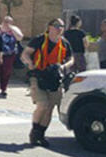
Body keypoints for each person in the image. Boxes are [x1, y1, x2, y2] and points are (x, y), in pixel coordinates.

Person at [21, 18, 73, 147]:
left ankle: (40, 134)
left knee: (50, 107)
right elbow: (25, 54)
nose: (59, 28)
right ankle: (34, 130)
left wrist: (64, 67)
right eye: (56, 25)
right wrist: (30, 63)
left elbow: (71, 59)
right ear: (49, 27)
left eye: (61, 26)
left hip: (55, 78)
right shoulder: (39, 40)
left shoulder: (64, 43)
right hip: (38, 76)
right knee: (43, 104)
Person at [0, 16, 23, 97]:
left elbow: (20, 38)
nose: (7, 23)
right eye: (5, 21)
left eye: (9, 22)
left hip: (9, 54)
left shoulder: (14, 29)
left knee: (6, 72)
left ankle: (3, 88)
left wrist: (11, 29)